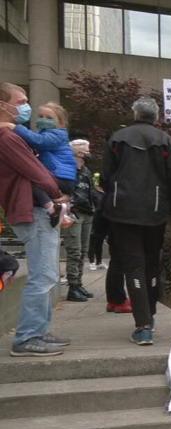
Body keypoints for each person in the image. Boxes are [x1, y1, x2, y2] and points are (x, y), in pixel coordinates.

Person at [102, 97, 171, 346]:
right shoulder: (165, 140)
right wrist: (168, 206)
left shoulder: (118, 138)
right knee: (151, 265)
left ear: (135, 113)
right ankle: (148, 315)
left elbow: (106, 176)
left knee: (133, 266)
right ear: (156, 116)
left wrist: (115, 197)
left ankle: (143, 324)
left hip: (123, 212)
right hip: (155, 211)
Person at [0, 82, 68, 356]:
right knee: (42, 276)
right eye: (21, 101)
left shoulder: (11, 136)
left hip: (34, 209)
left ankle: (37, 331)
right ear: (3, 105)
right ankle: (28, 336)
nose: (25, 107)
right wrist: (57, 191)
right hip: (32, 210)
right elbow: (37, 172)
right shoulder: (7, 138)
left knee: (47, 274)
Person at [2, 101, 78, 210]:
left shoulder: (58, 135)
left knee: (35, 183)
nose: (43, 119)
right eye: (40, 116)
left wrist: (15, 127)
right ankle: (58, 209)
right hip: (60, 176)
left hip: (61, 176)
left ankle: (52, 208)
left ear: (61, 123)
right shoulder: (46, 133)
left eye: (49, 118)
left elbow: (39, 141)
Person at [61, 139, 98, 303]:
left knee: (83, 250)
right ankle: (73, 285)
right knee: (74, 250)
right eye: (84, 149)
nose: (87, 152)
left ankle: (78, 283)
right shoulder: (68, 169)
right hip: (74, 212)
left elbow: (90, 190)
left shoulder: (86, 171)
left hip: (86, 212)